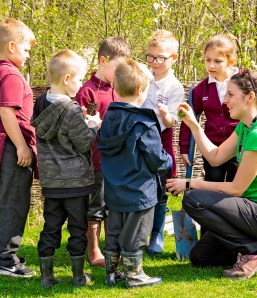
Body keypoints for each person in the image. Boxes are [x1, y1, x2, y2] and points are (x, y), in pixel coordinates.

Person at [166, 70, 257, 279]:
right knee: (200, 257)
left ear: (250, 97)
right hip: (248, 213)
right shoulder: (245, 127)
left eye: (230, 95)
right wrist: (193, 124)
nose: (225, 101)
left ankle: (255, 252)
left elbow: (237, 189)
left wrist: (189, 183)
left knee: (193, 199)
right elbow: (215, 157)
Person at [98, 59, 172, 288]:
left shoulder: (108, 118)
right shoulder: (144, 122)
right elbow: (156, 158)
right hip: (140, 190)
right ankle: (134, 275)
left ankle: (111, 273)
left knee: (115, 230)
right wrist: (168, 160)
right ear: (141, 90)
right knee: (137, 232)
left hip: (114, 188)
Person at [31, 49, 101, 288]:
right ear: (67, 78)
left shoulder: (40, 102)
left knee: (50, 228)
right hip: (75, 183)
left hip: (51, 182)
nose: (81, 85)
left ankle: (47, 278)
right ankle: (79, 277)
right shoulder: (71, 109)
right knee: (77, 229)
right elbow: (83, 143)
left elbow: (57, 131)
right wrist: (92, 124)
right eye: (80, 79)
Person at [0, 18, 37, 278]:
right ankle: (5, 261)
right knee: (12, 203)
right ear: (12, 46)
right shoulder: (11, 74)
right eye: (26, 50)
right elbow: (6, 112)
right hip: (12, 147)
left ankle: (2, 255)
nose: (27, 55)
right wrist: (21, 146)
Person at [75, 37, 132, 267]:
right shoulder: (87, 92)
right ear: (102, 60)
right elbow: (81, 128)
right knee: (96, 206)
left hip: (117, 161)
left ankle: (112, 246)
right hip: (96, 161)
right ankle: (94, 250)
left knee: (113, 205)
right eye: (117, 68)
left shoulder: (120, 90)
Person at [178, 34, 240, 236]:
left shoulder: (242, 82)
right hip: (212, 150)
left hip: (239, 148)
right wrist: (184, 146)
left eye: (217, 61)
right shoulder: (200, 89)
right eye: (207, 60)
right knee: (210, 191)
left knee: (235, 192)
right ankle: (208, 235)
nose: (211, 65)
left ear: (231, 61)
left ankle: (234, 234)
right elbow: (190, 118)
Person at [141, 29, 184, 255]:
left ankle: (156, 234)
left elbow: (171, 122)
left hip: (160, 141)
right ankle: (140, 232)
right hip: (138, 141)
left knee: (160, 188)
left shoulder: (174, 87)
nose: (154, 62)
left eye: (160, 58)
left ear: (173, 58)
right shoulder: (142, 78)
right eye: (150, 56)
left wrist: (165, 113)